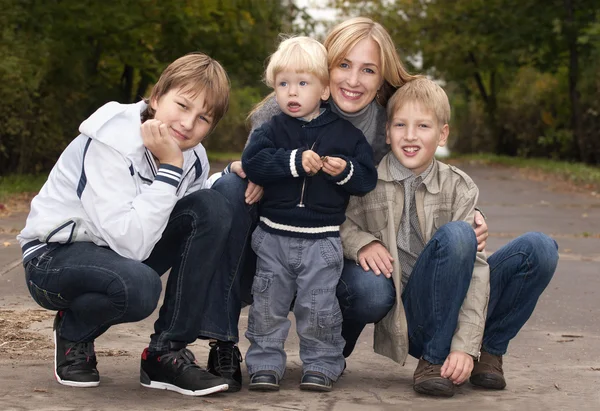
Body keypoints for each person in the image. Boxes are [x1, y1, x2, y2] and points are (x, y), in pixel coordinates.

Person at [208, 17, 558, 391]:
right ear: (324, 71)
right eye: (343, 65)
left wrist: (467, 222)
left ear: (382, 80)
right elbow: (253, 164)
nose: (353, 80)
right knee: (231, 189)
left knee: (530, 248)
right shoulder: (280, 109)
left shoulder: (385, 122)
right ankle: (224, 340)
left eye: (368, 70)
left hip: (338, 244)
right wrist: (245, 170)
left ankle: (479, 351)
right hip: (279, 238)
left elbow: (422, 122)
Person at [17, 53, 235, 397]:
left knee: (213, 207)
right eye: (182, 105)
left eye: (203, 118)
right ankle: (75, 330)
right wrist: (170, 168)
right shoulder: (111, 140)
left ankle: (166, 353)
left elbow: (187, 218)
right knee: (139, 286)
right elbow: (130, 244)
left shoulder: (193, 157)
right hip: (53, 259)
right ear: (157, 96)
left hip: (116, 255)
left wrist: (231, 177)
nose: (188, 123)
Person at [241, 36, 377, 392]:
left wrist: (343, 169)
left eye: (303, 83)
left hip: (322, 241)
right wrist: (292, 162)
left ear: (324, 91)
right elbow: (253, 162)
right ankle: (265, 364)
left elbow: (366, 179)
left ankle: (321, 364)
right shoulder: (272, 129)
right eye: (283, 84)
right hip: (273, 237)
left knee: (319, 309)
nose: (292, 93)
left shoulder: (346, 136)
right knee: (268, 305)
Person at [340, 77, 490, 397]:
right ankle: (432, 359)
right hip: (414, 313)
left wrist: (465, 346)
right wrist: (361, 242)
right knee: (460, 234)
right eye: (400, 125)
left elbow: (476, 270)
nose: (410, 136)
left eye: (423, 126)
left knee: (538, 249)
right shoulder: (367, 181)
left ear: (442, 134)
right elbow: (338, 222)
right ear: (387, 131)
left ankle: (488, 352)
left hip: (453, 299)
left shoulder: (461, 186)